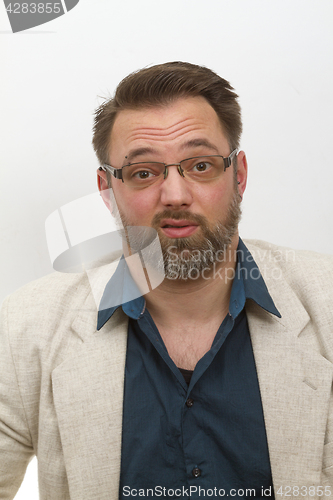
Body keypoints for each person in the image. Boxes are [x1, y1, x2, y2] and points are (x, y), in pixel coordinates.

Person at [0, 62, 332, 500]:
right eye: (143, 173)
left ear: (239, 175)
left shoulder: (326, 303)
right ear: (107, 190)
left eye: (200, 165)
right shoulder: (25, 329)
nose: (175, 195)